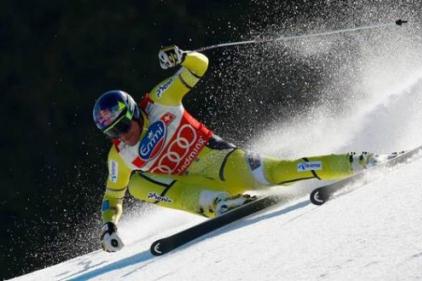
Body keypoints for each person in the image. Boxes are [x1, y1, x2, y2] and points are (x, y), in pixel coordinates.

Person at [94, 45, 386, 252]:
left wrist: (182, 57)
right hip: (196, 187)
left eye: (122, 127)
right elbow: (112, 197)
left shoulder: (160, 100)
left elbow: (199, 66)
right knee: (139, 185)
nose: (121, 136)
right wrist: (110, 227)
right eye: (112, 133)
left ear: (134, 112)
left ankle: (359, 160)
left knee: (279, 172)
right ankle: (218, 204)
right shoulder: (120, 155)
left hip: (224, 162)